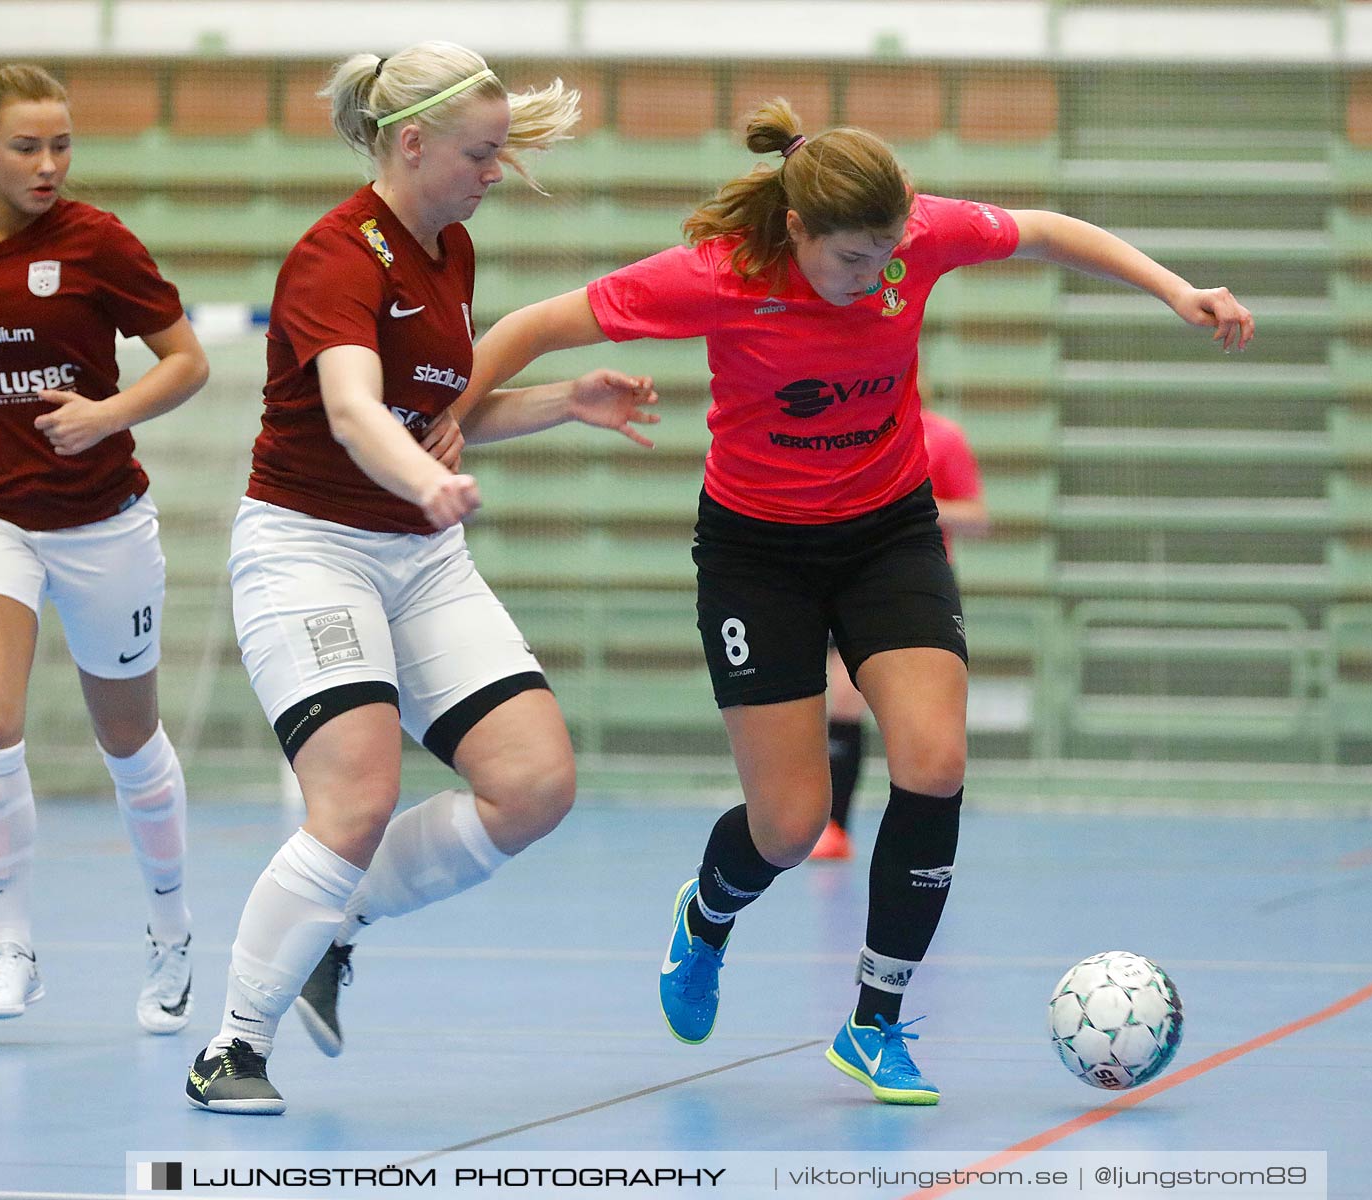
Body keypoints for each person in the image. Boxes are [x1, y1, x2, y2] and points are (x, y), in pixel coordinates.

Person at [464, 99, 1253, 1106]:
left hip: (888, 532)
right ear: (797, 232)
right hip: (758, 555)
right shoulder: (720, 277)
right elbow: (533, 325)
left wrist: (1174, 290)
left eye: (889, 253)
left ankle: (875, 1022)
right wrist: (441, 423)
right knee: (789, 826)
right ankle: (706, 917)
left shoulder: (913, 239)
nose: (875, 275)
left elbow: (1049, 232)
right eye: (851, 259)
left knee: (935, 758)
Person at [182, 41, 655, 1115]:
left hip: (418, 553)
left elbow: (440, 418)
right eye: (482, 155)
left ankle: (333, 929)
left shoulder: (450, 252)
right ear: (412, 143)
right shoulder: (333, 258)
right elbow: (357, 415)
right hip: (311, 548)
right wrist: (423, 484)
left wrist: (565, 402)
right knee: (354, 800)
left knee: (534, 784)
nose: (496, 173)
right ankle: (232, 1047)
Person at [0, 65, 210, 1032]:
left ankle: (171, 934)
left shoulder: (100, 241)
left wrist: (107, 415)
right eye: (27, 146)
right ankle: (9, 946)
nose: (49, 163)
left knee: (128, 740)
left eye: (62, 143)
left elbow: (188, 361)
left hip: (102, 522)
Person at [811, 399, 987, 861]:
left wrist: (913, 505)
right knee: (844, 701)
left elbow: (978, 517)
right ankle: (835, 826)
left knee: (925, 724)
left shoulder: (942, 437)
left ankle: (924, 836)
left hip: (919, 585)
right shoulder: (848, 432)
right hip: (853, 579)